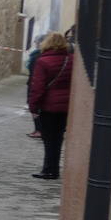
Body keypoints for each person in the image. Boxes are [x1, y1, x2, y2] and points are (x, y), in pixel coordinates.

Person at [28, 31, 72, 182]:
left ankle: (49, 170)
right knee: (58, 138)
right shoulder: (71, 59)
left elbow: (38, 87)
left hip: (49, 106)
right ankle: (54, 169)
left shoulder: (43, 61)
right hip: (66, 107)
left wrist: (33, 106)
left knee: (48, 139)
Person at [25, 39, 44, 139]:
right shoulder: (41, 55)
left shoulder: (37, 56)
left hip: (34, 84)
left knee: (34, 108)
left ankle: (38, 130)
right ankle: (40, 129)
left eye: (38, 42)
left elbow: (33, 71)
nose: (36, 44)